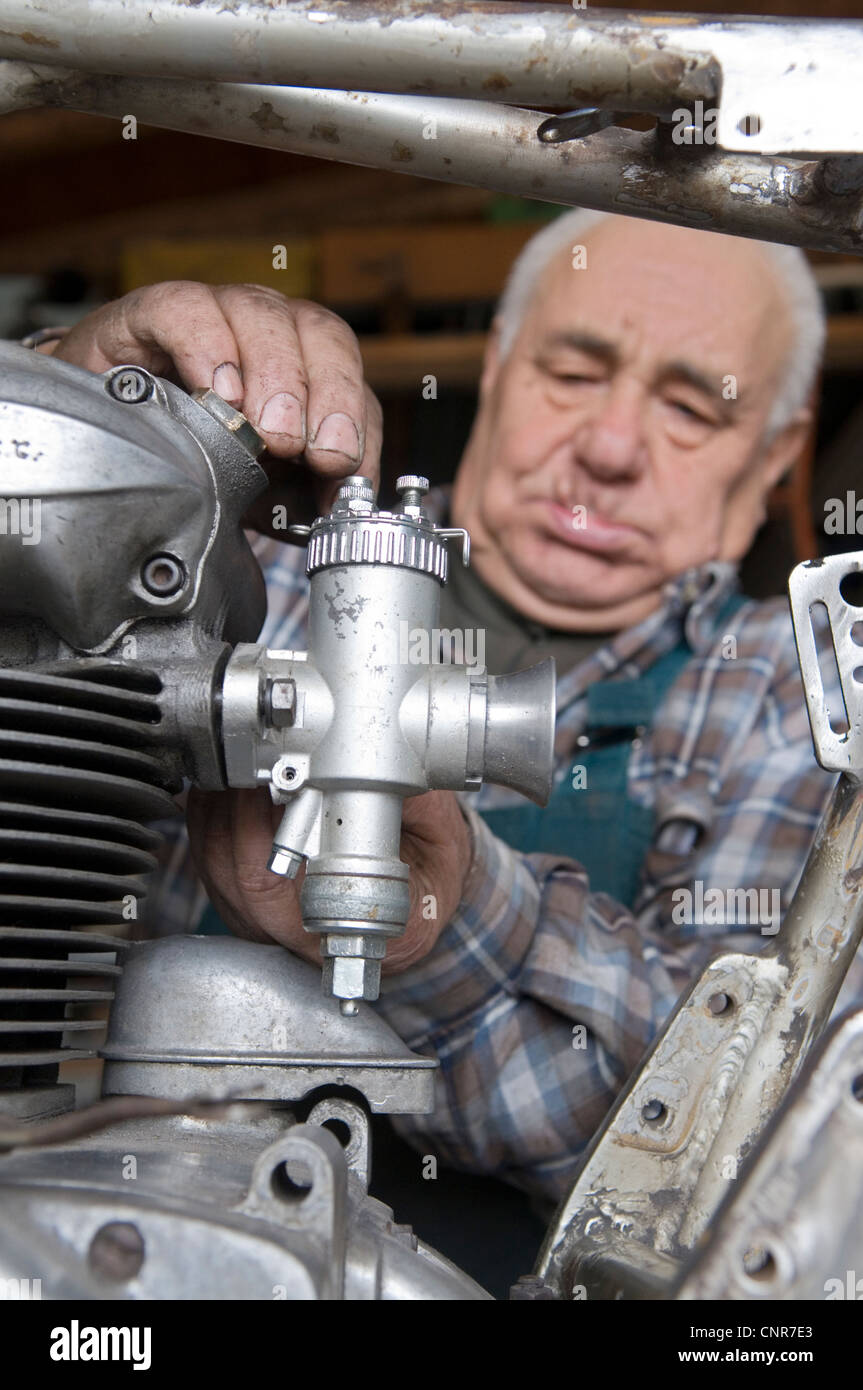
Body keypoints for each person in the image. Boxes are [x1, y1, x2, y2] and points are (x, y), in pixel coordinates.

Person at [42, 210, 847, 1214]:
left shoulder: (793, 690)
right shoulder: (243, 584)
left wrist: (449, 918)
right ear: (500, 364)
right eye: (574, 370)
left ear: (772, 460)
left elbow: (748, 1128)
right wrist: (67, 441)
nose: (607, 448)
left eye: (689, 406)